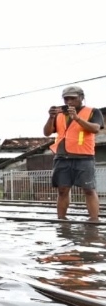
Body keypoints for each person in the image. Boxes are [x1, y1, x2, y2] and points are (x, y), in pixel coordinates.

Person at [43, 85, 103, 221]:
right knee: (62, 190)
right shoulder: (59, 114)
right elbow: (46, 132)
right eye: (66, 99)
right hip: (62, 157)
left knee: (89, 189)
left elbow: (95, 129)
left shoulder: (93, 111)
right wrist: (51, 117)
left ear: (81, 98)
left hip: (84, 157)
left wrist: (77, 118)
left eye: (73, 98)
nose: (69, 101)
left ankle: (94, 220)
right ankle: (62, 219)